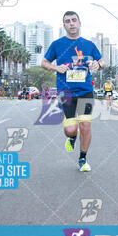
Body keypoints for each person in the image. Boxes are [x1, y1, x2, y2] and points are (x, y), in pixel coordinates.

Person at [41, 11, 104, 172]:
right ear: (64, 26)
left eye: (74, 20)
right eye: (67, 21)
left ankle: (82, 159)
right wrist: (55, 67)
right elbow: (44, 62)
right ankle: (72, 137)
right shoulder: (57, 44)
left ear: (79, 23)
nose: (71, 23)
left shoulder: (89, 44)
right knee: (70, 129)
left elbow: (101, 60)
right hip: (66, 93)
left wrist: (98, 65)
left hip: (85, 91)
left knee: (85, 125)